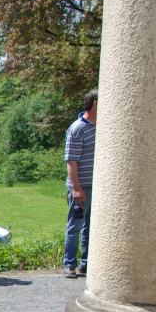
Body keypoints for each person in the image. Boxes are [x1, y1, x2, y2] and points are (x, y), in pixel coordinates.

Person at [63, 88, 97, 279]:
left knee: (90, 227)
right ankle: (69, 264)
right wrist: (76, 188)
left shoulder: (101, 127)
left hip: (97, 186)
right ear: (95, 103)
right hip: (81, 186)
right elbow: (71, 161)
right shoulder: (77, 128)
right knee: (75, 226)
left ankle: (86, 264)